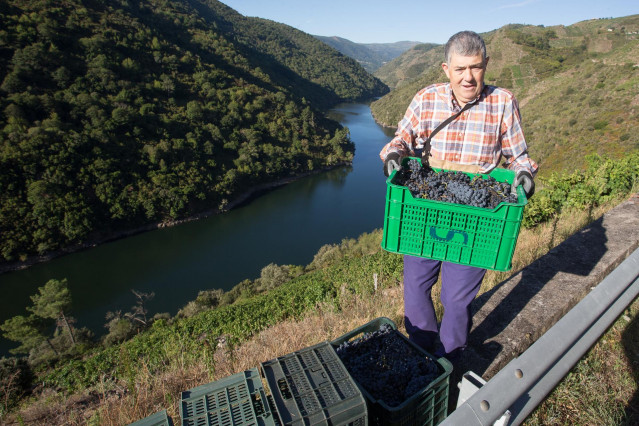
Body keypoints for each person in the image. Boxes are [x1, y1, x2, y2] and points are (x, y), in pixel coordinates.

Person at [379, 30, 538, 363]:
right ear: (446, 69)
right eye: (461, 68)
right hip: (424, 211)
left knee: (457, 298)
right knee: (416, 289)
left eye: (476, 68)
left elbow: (518, 155)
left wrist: (524, 174)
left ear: (486, 65)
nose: (469, 77)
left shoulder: (502, 102)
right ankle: (421, 351)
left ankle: (450, 358)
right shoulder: (426, 99)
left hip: (475, 219)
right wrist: (394, 154)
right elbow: (402, 139)